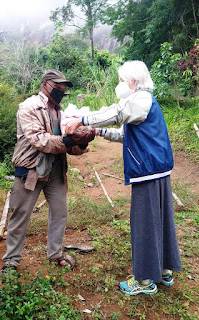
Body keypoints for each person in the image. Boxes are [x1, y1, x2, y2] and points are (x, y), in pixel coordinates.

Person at [65, 60, 182, 295]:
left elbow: (117, 114)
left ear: (133, 81)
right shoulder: (140, 103)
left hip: (148, 171)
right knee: (159, 219)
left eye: (121, 80)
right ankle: (163, 270)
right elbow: (124, 134)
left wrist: (83, 119)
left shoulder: (140, 99)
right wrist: (99, 131)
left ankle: (145, 280)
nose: (119, 84)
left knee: (145, 223)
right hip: (155, 169)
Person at [2, 69, 95, 271]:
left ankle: (55, 254)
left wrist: (83, 143)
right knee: (20, 215)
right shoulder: (29, 107)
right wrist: (69, 140)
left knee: (60, 212)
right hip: (31, 170)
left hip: (55, 170)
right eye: (58, 87)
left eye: (64, 89)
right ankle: (11, 261)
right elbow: (40, 140)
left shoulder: (62, 112)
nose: (61, 91)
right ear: (45, 85)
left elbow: (68, 147)